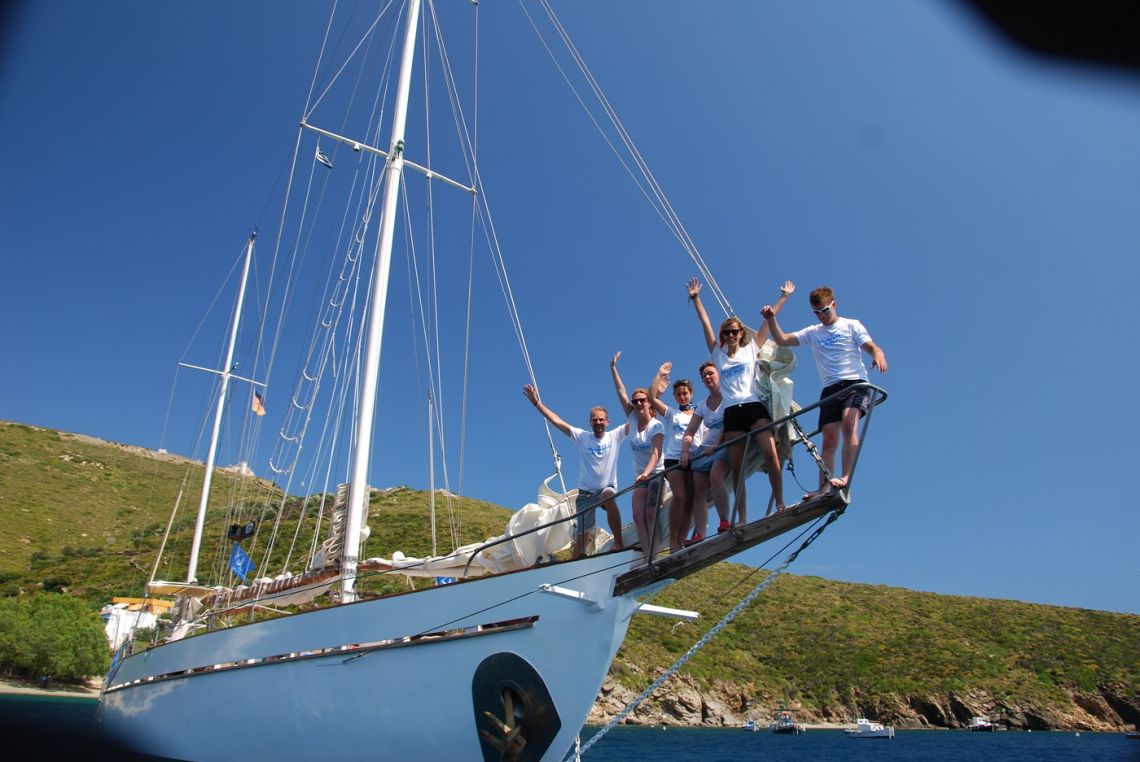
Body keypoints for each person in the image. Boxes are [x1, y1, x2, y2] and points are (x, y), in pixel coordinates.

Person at [762, 285, 888, 497]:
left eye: (825, 311)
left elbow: (872, 346)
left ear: (834, 305)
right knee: (829, 439)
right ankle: (823, 488)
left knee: (849, 423)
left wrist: (878, 355)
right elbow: (782, 340)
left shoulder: (851, 325)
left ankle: (846, 476)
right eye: (817, 313)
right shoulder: (813, 332)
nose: (822, 316)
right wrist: (771, 319)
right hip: (830, 389)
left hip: (854, 382)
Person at [687, 277, 794, 521]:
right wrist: (696, 299)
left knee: (771, 453)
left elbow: (768, 322)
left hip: (753, 407)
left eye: (735, 331)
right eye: (727, 332)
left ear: (741, 333)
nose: (731, 335)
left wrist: (784, 297)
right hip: (732, 412)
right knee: (737, 469)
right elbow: (705, 323)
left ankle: (780, 502)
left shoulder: (751, 348)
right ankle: (743, 517)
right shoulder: (718, 354)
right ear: (723, 336)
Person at [522, 384, 627, 558]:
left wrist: (653, 398)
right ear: (590, 422)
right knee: (581, 541)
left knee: (609, 495)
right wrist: (536, 403)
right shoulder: (582, 437)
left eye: (601, 419)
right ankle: (577, 561)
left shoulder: (615, 436)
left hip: (605, 490)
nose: (598, 422)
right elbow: (556, 420)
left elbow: (636, 418)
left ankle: (618, 542)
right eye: (595, 420)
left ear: (607, 421)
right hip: (585, 494)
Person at [610, 354, 666, 561]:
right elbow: (620, 392)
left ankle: (657, 554)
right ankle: (646, 554)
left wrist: (646, 473)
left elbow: (656, 452)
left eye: (642, 400)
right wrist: (613, 368)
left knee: (651, 514)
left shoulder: (656, 426)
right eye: (635, 402)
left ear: (649, 404)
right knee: (637, 516)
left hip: (657, 474)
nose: (638, 403)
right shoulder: (633, 419)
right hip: (640, 477)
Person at [678, 361, 731, 543]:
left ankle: (724, 520)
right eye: (704, 376)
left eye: (710, 373)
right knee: (698, 491)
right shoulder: (702, 405)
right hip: (705, 448)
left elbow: (728, 422)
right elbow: (690, 431)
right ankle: (700, 533)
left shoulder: (729, 395)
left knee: (716, 477)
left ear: (719, 375)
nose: (707, 377)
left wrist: (717, 444)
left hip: (723, 444)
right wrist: (685, 451)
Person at [647, 361, 697, 551]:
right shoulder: (672, 413)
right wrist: (659, 374)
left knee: (690, 500)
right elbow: (651, 397)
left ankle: (681, 540)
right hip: (674, 458)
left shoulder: (699, 412)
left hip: (694, 458)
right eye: (678, 394)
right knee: (680, 496)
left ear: (691, 394)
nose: (682, 396)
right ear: (675, 397)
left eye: (685, 393)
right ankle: (673, 541)